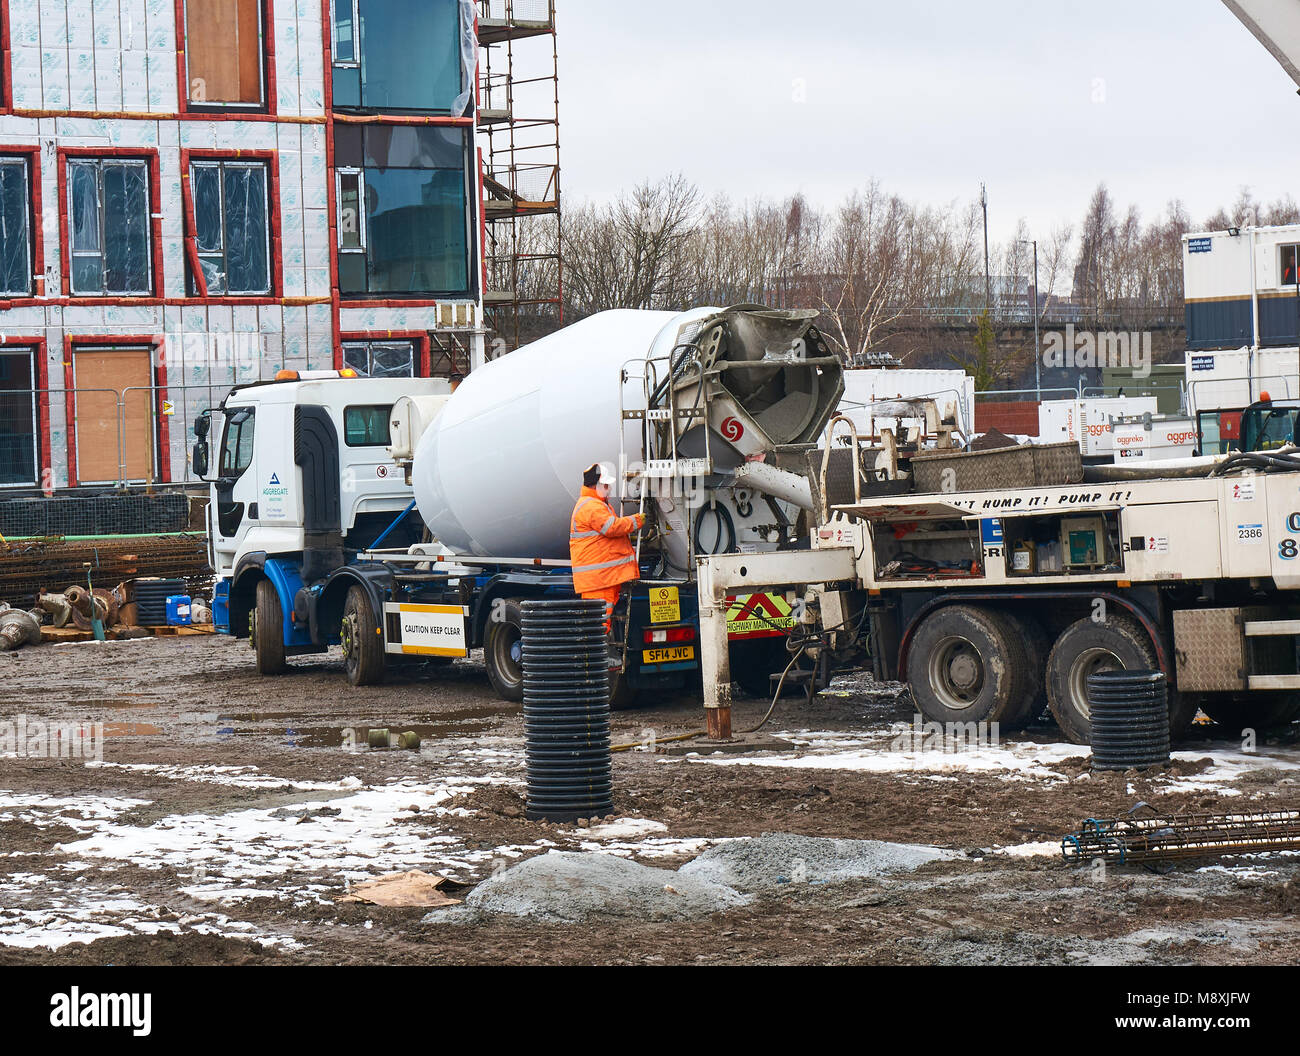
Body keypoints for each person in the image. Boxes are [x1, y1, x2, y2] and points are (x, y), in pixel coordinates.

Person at [569, 462, 645, 634]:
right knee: (598, 625)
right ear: (596, 486)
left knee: (599, 623)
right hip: (599, 579)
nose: (609, 488)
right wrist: (636, 521)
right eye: (606, 485)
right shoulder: (592, 506)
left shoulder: (596, 504)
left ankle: (601, 655)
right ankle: (598, 658)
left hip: (601, 578)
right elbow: (612, 527)